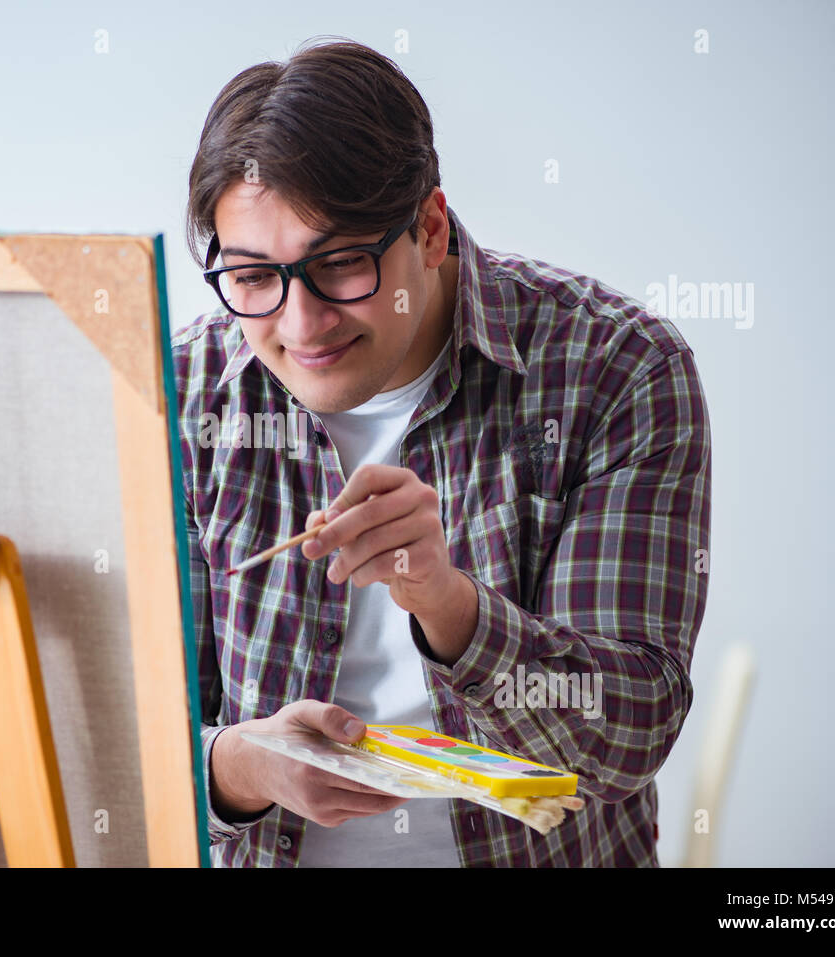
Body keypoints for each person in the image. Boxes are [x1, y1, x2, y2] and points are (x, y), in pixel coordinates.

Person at [174, 38, 710, 867]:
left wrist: (450, 606)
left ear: (428, 228)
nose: (300, 324)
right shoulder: (184, 392)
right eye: (251, 278)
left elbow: (627, 734)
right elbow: (115, 728)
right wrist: (235, 768)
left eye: (342, 264)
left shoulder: (617, 369)